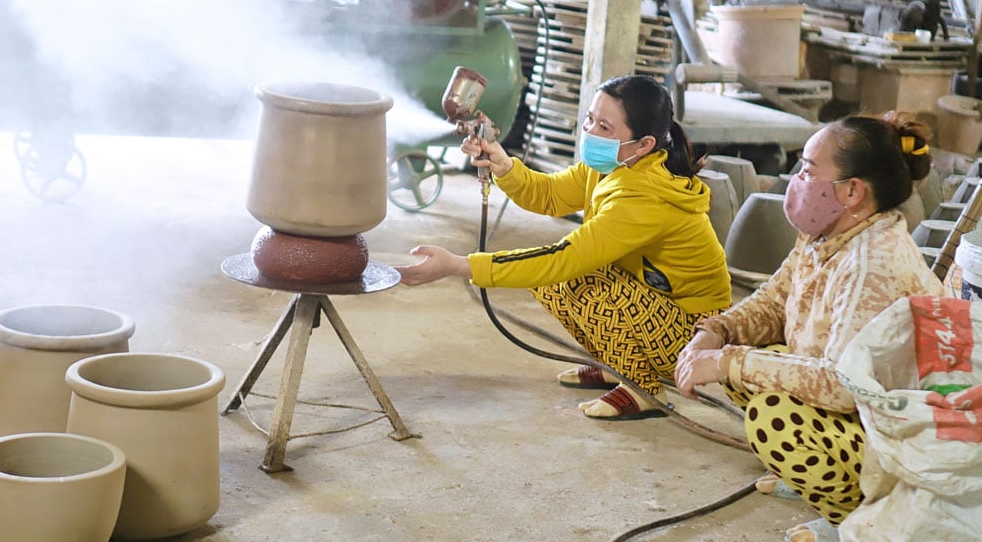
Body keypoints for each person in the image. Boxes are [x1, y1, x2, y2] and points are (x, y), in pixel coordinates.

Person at [673, 111, 946, 542]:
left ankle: (857, 518)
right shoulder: (829, 233)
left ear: (852, 190)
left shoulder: (872, 263)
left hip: (904, 442)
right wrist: (718, 331)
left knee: (772, 414)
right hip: (865, 413)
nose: (796, 179)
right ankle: (819, 478)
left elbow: (842, 384)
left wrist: (727, 361)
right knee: (754, 366)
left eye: (807, 170)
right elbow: (776, 299)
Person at [396, 74, 731, 420]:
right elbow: (552, 194)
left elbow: (566, 258)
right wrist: (504, 165)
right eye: (590, 118)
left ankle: (642, 387)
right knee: (564, 279)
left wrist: (458, 265)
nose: (590, 131)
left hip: (693, 334)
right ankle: (616, 362)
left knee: (577, 278)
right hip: (655, 306)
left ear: (644, 144)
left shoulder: (645, 196)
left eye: (604, 126)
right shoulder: (614, 165)